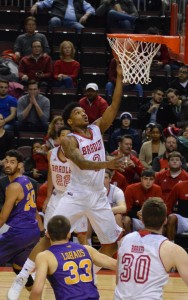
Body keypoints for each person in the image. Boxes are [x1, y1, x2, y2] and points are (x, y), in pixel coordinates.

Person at [8, 62, 124, 300]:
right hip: (76, 194)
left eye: (83, 111)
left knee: (111, 243)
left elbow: (114, 105)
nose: (83, 113)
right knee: (50, 235)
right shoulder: (69, 140)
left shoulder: (97, 128)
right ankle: (21, 279)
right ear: (70, 122)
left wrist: (120, 78)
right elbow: (81, 163)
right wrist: (107, 164)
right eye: (77, 113)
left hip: (98, 196)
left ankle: (87, 274)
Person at [115, 197, 188, 300]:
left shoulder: (124, 241)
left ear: (142, 219)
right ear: (165, 220)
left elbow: (118, 281)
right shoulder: (172, 250)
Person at [29, 215, 117, 300]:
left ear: (47, 234)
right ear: (69, 234)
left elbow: (37, 291)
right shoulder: (87, 249)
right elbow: (116, 265)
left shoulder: (45, 256)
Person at [0, 150, 40, 290]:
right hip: (32, 233)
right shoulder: (27, 181)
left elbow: (2, 218)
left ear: (20, 165)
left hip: (18, 232)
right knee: (19, 268)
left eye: (12, 162)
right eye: (6, 161)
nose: (8, 165)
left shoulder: (13, 186)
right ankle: (35, 297)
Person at [123, 169, 162, 234]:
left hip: (150, 217)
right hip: (134, 216)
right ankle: (128, 239)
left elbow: (158, 208)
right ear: (141, 179)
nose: (148, 182)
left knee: (161, 219)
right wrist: (136, 214)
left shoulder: (157, 189)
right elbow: (127, 209)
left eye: (151, 179)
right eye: (145, 179)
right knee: (126, 220)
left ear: (154, 180)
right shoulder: (130, 188)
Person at [30, 0, 95, 33]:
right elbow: (43, 3)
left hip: (72, 22)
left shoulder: (80, 1)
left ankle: (77, 47)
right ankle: (51, 40)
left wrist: (86, 15)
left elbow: (91, 9)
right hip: (58, 18)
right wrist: (36, 5)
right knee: (54, 20)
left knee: (81, 28)